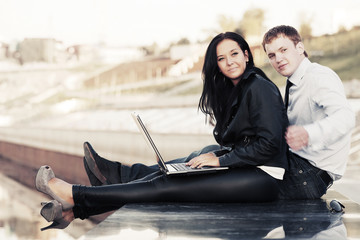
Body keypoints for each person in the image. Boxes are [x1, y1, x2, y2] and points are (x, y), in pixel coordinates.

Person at [35, 32, 289, 230]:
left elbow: (269, 144)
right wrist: (216, 157)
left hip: (264, 176)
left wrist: (220, 160)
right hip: (246, 167)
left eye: (234, 54)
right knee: (174, 171)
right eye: (221, 59)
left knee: (168, 183)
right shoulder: (237, 88)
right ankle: (74, 211)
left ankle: (75, 194)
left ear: (246, 54)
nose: (229, 62)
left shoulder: (259, 87)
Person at [262, 25, 355, 200]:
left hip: (309, 174)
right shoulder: (295, 82)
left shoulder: (318, 77)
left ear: (300, 48)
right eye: (272, 55)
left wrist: (308, 134)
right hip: (298, 164)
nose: (278, 59)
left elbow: (346, 117)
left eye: (283, 50)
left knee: (239, 187)